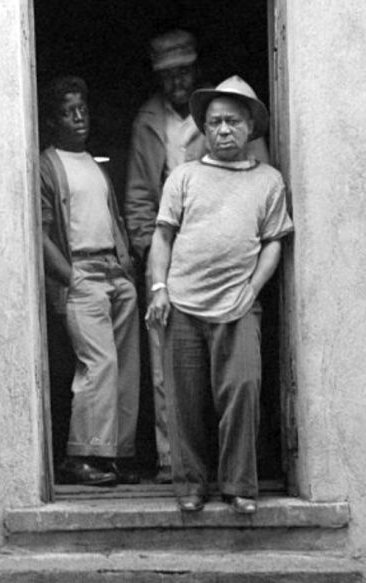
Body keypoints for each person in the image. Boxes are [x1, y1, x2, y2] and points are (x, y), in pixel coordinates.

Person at [125, 30, 270, 483]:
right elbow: (138, 195)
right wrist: (155, 260)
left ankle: (235, 477)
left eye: (183, 72)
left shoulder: (227, 120)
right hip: (174, 262)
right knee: (171, 374)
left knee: (236, 380)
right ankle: (178, 467)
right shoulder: (149, 120)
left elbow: (262, 196)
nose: (176, 82)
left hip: (231, 275)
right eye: (167, 76)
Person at [145, 76, 293, 515]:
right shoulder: (185, 177)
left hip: (238, 305)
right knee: (184, 400)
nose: (223, 130)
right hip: (183, 303)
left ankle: (239, 485)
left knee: (243, 390)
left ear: (250, 128)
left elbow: (274, 241)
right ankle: (190, 485)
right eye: (213, 123)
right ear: (204, 129)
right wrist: (159, 288)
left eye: (232, 121)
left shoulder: (268, 180)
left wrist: (252, 288)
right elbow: (163, 236)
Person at [40, 76, 141, 487]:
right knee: (98, 365)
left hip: (113, 272)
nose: (79, 118)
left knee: (123, 368)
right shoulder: (48, 165)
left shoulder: (95, 164)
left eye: (82, 109)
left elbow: (112, 218)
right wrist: (69, 275)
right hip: (80, 273)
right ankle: (80, 456)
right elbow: (40, 232)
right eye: (68, 112)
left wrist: (125, 265)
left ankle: (113, 456)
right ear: (53, 120)